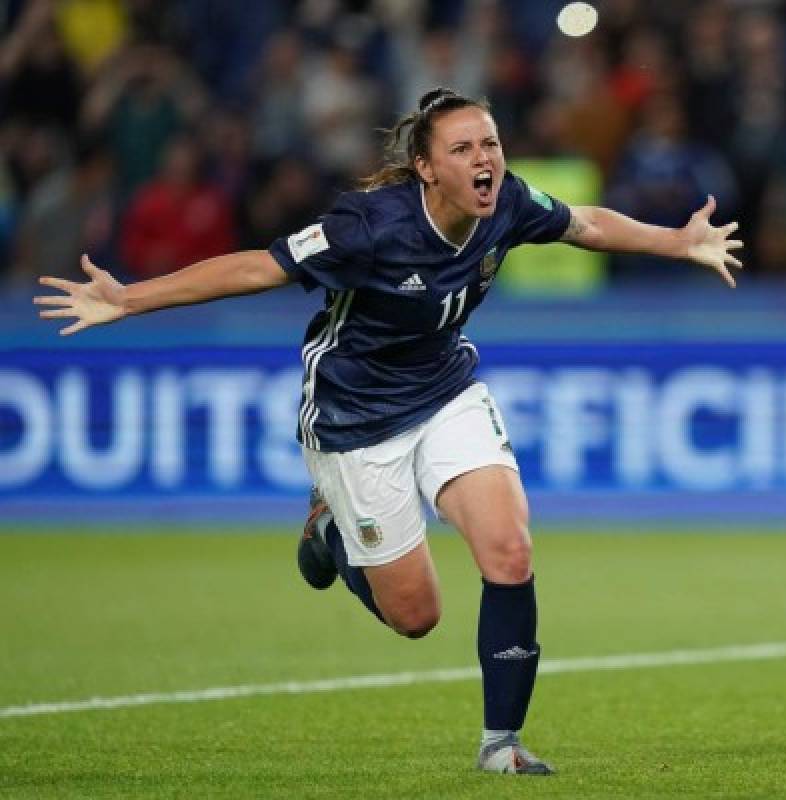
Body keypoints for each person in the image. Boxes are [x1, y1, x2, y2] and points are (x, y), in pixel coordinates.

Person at [33, 87, 743, 775]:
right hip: (355, 417)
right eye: (462, 149)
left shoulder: (510, 203)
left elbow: (584, 223)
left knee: (510, 548)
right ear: (428, 167)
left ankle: (503, 744)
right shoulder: (368, 227)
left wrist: (678, 242)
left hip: (446, 391)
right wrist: (129, 298)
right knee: (415, 616)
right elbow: (260, 266)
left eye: (489, 143)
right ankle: (330, 536)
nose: (483, 159)